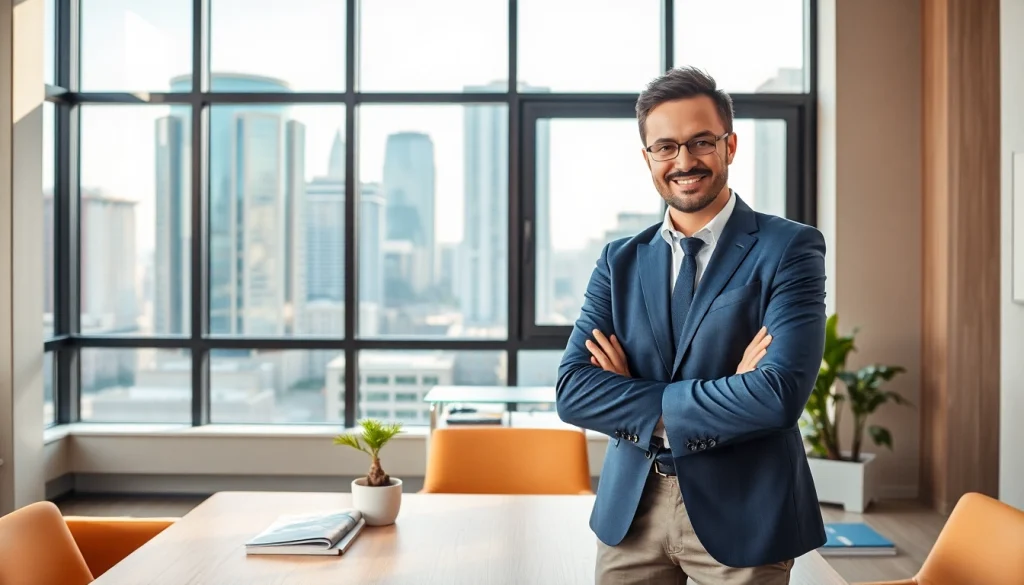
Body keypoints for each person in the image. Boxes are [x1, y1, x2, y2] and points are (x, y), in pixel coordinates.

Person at [554, 66, 827, 585]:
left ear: (730, 145)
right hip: (631, 511)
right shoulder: (619, 261)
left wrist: (634, 392)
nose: (684, 161)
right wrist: (731, 388)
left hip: (744, 508)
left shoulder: (789, 248)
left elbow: (778, 395)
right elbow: (573, 391)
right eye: (666, 147)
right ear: (648, 158)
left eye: (701, 141)